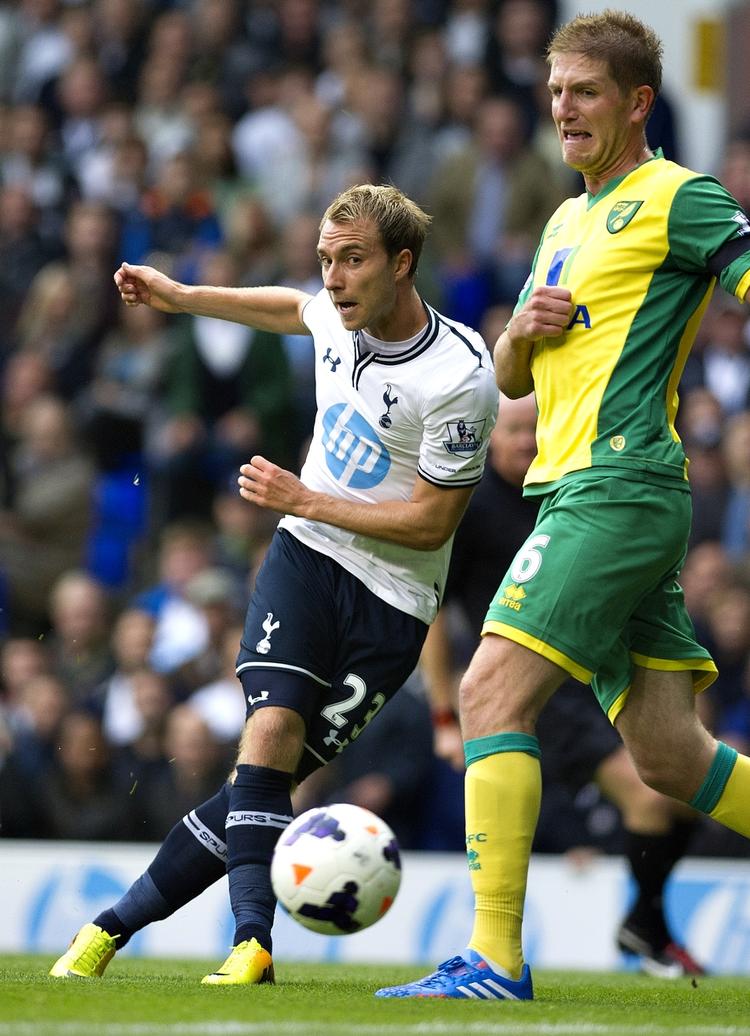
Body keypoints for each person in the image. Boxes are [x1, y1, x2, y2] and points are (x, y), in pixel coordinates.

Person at [376, 10, 750, 1002]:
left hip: (617, 487)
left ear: (637, 102)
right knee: (671, 760)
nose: (564, 110)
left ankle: (494, 959)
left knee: (490, 691)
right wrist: (520, 331)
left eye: (585, 92)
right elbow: (509, 379)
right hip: (577, 490)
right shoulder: (564, 221)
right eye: (555, 93)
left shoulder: (679, 196)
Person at [49, 183, 499, 985]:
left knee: (255, 788)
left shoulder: (460, 375)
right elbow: (292, 309)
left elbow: (433, 524)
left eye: (352, 260)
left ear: (402, 263)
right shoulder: (336, 312)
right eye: (326, 259)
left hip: (394, 602)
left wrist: (303, 496)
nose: (333, 279)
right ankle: (253, 942)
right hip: (306, 559)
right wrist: (184, 296)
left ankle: (108, 927)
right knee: (268, 733)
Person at [421, 393, 705, 977]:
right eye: (513, 431)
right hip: (535, 688)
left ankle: (645, 922)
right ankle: (640, 930)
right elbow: (434, 616)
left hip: (593, 673)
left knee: (685, 793)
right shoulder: (474, 508)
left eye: (535, 429)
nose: (525, 442)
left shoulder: (566, 490)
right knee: (651, 796)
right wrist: (445, 716)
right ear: (491, 438)